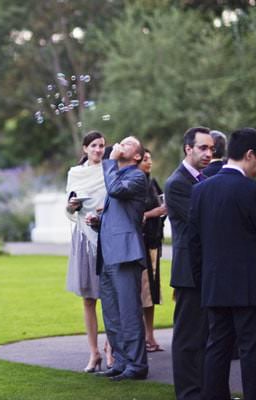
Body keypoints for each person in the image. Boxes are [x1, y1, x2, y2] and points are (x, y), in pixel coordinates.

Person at [189, 128, 256, 400]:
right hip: (248, 286)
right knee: (250, 350)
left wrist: (202, 280)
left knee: (217, 347)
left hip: (214, 284)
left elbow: (193, 243)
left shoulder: (200, 190)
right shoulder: (251, 190)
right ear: (249, 154)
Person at [93, 136, 149, 381]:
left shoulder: (136, 176)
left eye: (127, 143)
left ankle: (137, 366)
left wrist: (110, 161)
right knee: (112, 313)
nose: (120, 145)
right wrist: (99, 221)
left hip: (126, 254)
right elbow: (119, 214)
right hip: (108, 253)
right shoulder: (117, 175)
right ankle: (121, 362)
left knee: (128, 312)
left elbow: (115, 191)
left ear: (136, 156)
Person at [165, 126, 214, 400]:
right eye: (203, 148)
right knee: (187, 338)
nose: (209, 153)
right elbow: (200, 222)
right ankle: (188, 394)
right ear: (188, 149)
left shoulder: (202, 179)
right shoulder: (178, 183)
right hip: (189, 271)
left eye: (211, 149)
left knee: (205, 335)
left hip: (205, 269)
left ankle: (204, 391)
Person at [64, 131, 112, 372]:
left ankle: (111, 348)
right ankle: (93, 353)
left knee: (111, 297)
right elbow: (69, 207)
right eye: (93, 145)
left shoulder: (110, 169)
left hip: (107, 235)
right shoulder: (75, 173)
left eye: (101, 145)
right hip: (84, 235)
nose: (98, 149)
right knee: (89, 298)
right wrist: (72, 205)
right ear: (84, 148)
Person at [138, 149, 166, 352]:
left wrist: (161, 210)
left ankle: (150, 335)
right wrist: (153, 212)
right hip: (141, 243)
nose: (149, 162)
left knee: (152, 292)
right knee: (142, 292)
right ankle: (141, 337)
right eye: (145, 159)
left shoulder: (152, 183)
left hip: (155, 241)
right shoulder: (136, 185)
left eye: (150, 158)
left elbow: (164, 206)